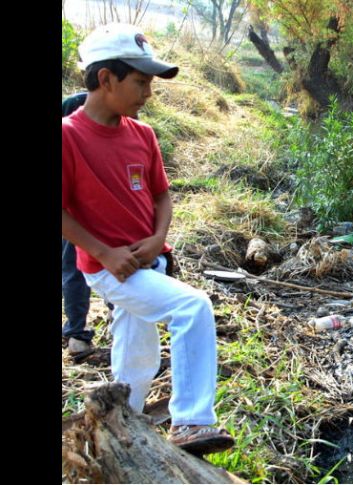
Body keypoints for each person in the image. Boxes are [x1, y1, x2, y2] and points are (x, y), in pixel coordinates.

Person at [62, 23, 234, 455]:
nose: (148, 93)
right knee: (192, 306)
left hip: (148, 262)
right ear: (106, 79)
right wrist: (103, 251)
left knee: (137, 357)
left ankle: (125, 430)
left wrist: (158, 239)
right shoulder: (67, 136)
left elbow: (161, 195)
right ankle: (192, 422)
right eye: (140, 81)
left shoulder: (143, 135)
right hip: (108, 268)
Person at [62, 91, 94, 357]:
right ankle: (76, 331)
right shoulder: (72, 108)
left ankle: (122, 325)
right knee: (74, 269)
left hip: (110, 210)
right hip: (74, 212)